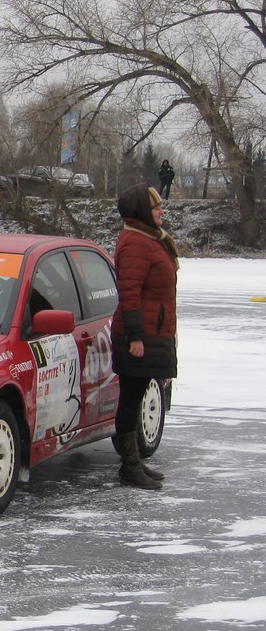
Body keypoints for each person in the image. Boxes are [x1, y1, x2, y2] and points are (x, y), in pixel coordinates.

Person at [111, 183, 179, 490]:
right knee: (130, 399)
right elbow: (130, 294)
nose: (161, 210)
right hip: (138, 336)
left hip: (153, 331)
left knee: (135, 396)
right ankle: (129, 468)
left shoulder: (150, 238)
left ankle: (134, 462)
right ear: (141, 211)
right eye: (155, 207)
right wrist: (135, 337)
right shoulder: (136, 243)